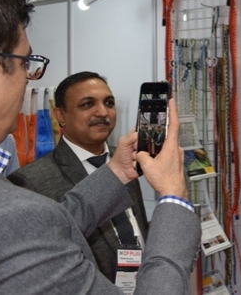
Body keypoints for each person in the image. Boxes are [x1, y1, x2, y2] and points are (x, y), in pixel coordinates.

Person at [0, 0, 199, 294]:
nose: (28, 79)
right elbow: (32, 227)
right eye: (25, 64)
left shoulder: (119, 167)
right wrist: (173, 199)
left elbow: (56, 223)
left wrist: (117, 171)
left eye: (109, 102)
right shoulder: (17, 207)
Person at [8, 72, 150, 282]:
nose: (103, 112)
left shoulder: (129, 160)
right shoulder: (29, 182)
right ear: (60, 116)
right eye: (87, 104)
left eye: (109, 103)